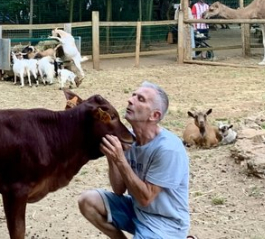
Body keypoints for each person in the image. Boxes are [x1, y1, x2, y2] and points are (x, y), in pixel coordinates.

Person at [78, 81, 190, 239]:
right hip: (136, 210)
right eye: (133, 95)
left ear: (154, 115)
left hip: (165, 223)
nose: (130, 100)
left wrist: (121, 160)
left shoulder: (168, 149)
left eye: (141, 99)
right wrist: (112, 158)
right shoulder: (129, 138)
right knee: (88, 201)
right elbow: (118, 190)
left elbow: (146, 198)